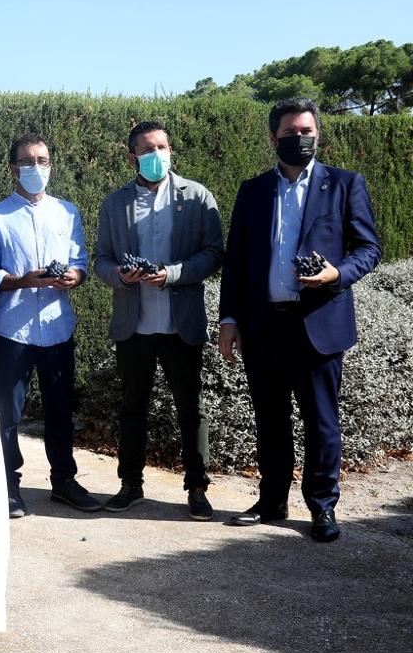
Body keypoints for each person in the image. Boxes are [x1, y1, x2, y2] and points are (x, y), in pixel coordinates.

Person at [219, 97, 381, 542]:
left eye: (307, 131)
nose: (300, 138)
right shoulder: (252, 191)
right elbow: (236, 262)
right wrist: (229, 320)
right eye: (290, 133)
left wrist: (336, 275)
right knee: (269, 420)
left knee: (321, 421)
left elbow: (368, 249)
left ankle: (322, 507)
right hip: (263, 325)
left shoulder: (344, 184)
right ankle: (272, 501)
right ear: (273, 138)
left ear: (318, 134)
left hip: (318, 324)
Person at [94, 121, 223, 520]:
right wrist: (120, 275)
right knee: (132, 406)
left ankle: (197, 488)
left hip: (181, 322)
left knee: (191, 408)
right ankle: (131, 484)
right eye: (148, 149)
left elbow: (214, 253)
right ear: (132, 156)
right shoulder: (114, 203)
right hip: (134, 324)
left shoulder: (197, 196)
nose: (157, 155)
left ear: (170, 150)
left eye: (162, 147)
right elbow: (100, 260)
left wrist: (173, 273)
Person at [0, 134, 99, 518]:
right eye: (27, 161)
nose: (36, 167)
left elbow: (80, 262)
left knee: (61, 410)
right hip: (13, 330)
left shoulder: (68, 212)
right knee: (8, 413)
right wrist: (24, 280)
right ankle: (8, 485)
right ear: (13, 167)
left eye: (42, 160)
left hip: (57, 328)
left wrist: (74, 278)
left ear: (51, 164)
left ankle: (63, 481)